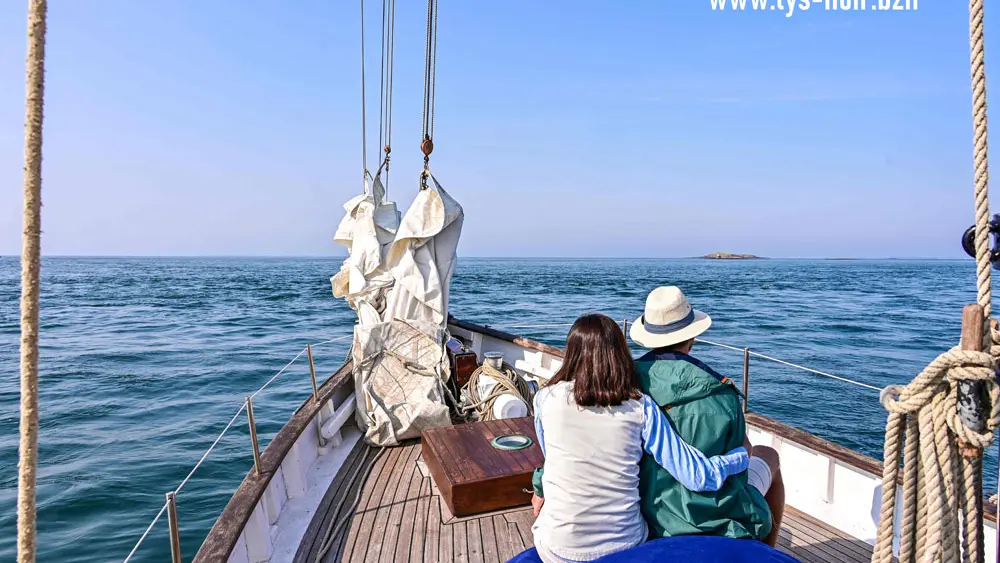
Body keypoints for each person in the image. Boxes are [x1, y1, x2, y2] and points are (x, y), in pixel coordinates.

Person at [529, 313, 750, 563]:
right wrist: (740, 456)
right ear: (619, 353)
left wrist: (540, 490)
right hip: (624, 546)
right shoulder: (639, 406)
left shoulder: (544, 399)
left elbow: (553, 461)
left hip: (556, 551)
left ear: (571, 353)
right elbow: (698, 476)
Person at [629, 286, 785, 547]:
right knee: (769, 455)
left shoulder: (625, 384)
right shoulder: (721, 392)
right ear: (692, 338)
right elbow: (741, 454)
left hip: (649, 512)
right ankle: (765, 552)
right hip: (718, 518)